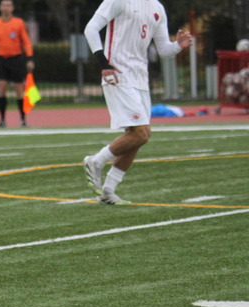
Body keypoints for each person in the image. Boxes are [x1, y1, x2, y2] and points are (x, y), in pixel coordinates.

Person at [82, 0, 191, 205]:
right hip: (118, 74)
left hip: (140, 79)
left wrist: (178, 45)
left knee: (141, 135)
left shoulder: (157, 8)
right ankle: (95, 161)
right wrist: (103, 64)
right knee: (140, 132)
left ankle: (108, 191)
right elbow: (91, 28)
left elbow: (164, 50)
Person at [0, 0, 34, 128]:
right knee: (1, 88)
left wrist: (30, 58)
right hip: (1, 59)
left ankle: (23, 119)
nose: (6, 8)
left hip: (16, 59)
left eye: (8, 5)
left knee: (19, 89)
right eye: (3, 5)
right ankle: (2, 119)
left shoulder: (18, 23)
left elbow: (26, 41)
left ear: (12, 8)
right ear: (0, 7)